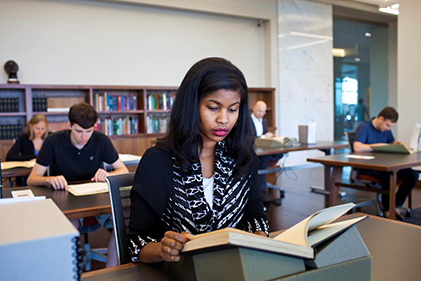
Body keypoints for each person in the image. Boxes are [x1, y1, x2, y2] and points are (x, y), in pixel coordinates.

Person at [128, 57, 269, 264]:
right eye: (213, 107)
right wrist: (163, 250)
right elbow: (137, 241)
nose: (224, 119)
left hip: (234, 268)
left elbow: (256, 218)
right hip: (177, 273)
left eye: (232, 109)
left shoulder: (243, 156)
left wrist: (259, 243)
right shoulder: (158, 161)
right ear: (192, 106)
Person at [27, 102, 129, 267]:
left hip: (96, 198)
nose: (84, 137)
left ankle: (110, 274)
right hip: (68, 201)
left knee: (122, 223)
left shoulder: (100, 140)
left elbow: (122, 170)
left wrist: (108, 174)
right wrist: (49, 179)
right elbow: (32, 178)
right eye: (79, 131)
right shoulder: (53, 141)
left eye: (89, 131)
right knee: (68, 226)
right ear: (69, 125)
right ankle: (71, 273)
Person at [353, 106, 419, 218]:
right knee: (390, 174)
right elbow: (357, 147)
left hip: (384, 165)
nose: (388, 129)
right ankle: (387, 209)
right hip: (368, 167)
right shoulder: (364, 127)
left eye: (391, 127)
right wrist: (376, 146)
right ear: (380, 119)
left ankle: (395, 205)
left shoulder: (385, 130)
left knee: (413, 175)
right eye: (388, 125)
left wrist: (400, 144)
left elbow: (392, 142)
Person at [251, 100, 283, 205]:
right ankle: (262, 193)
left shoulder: (264, 121)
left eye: (263, 112)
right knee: (261, 162)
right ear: (253, 108)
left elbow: (263, 135)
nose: (261, 114)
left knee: (279, 153)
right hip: (252, 151)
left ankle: (262, 190)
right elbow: (249, 138)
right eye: (259, 111)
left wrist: (271, 136)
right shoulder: (247, 120)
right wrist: (264, 137)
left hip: (263, 150)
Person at [6, 113, 49, 186]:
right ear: (31, 126)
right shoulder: (23, 138)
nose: (40, 131)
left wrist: (37, 158)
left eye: (43, 128)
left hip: (46, 176)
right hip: (26, 176)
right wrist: (32, 158)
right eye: (37, 128)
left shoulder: (50, 138)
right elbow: (9, 156)